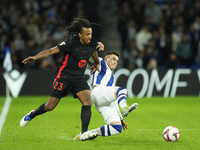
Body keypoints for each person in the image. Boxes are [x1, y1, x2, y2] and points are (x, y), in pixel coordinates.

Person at [20, 18, 104, 141]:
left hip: (78, 78)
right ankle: (32, 114)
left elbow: (93, 52)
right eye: (87, 34)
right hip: (63, 77)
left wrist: (97, 63)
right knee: (50, 106)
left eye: (91, 34)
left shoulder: (92, 43)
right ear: (80, 34)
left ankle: (84, 132)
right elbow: (50, 51)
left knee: (87, 100)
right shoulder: (70, 43)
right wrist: (35, 58)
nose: (90, 36)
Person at [78, 51, 138, 138]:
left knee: (117, 128)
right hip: (98, 92)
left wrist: (120, 118)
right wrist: (94, 45)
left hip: (103, 102)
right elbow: (91, 56)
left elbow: (114, 101)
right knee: (122, 90)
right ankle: (124, 107)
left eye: (117, 61)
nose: (115, 62)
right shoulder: (102, 63)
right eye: (113, 59)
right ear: (106, 59)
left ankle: (86, 134)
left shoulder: (111, 78)